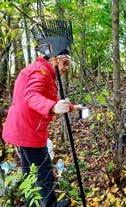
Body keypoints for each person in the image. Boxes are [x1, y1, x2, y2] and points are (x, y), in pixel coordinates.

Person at [2, 20, 78, 207]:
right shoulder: (40, 72)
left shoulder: (42, 70)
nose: (66, 68)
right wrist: (52, 107)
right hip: (29, 132)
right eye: (65, 63)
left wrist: (70, 106)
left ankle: (31, 201)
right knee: (43, 170)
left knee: (30, 170)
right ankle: (50, 204)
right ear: (55, 59)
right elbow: (32, 96)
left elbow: (43, 98)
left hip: (22, 129)